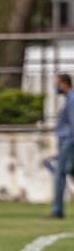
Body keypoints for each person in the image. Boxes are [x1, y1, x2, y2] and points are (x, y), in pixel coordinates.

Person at [49, 73, 74, 218]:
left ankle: (57, 210)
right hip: (67, 141)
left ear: (64, 84)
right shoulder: (69, 99)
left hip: (68, 142)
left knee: (59, 174)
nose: (56, 87)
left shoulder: (71, 100)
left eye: (57, 83)